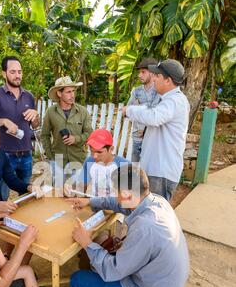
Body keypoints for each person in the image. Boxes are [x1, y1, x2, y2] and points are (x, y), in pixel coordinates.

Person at [66, 164, 189, 287]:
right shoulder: (156, 201)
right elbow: (120, 204)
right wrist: (90, 202)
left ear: (127, 194)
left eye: (117, 193)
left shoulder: (145, 228)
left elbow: (111, 271)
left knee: (78, 281)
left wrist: (86, 242)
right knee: (98, 256)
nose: (116, 197)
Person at [122, 59, 190, 201]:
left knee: (155, 217)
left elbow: (153, 117)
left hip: (161, 173)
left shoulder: (175, 101)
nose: (154, 79)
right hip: (156, 170)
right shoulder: (167, 100)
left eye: (157, 76)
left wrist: (129, 110)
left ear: (168, 80)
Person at [0, 56, 40, 198]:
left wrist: (36, 115)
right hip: (3, 154)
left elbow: (35, 125)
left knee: (25, 196)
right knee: (1, 196)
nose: (17, 75)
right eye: (13, 72)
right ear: (4, 73)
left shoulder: (29, 96)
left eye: (20, 71)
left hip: (26, 154)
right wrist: (3, 121)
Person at [41, 76, 93, 181]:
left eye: (73, 91)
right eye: (68, 92)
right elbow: (44, 135)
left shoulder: (83, 112)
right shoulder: (50, 112)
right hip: (58, 161)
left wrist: (76, 139)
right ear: (59, 94)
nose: (72, 95)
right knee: (59, 193)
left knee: (77, 192)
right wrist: (51, 157)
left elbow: (90, 134)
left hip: (78, 159)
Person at [65, 128, 129, 197]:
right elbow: (81, 188)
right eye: (92, 151)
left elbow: (128, 199)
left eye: (99, 152)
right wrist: (70, 189)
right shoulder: (90, 161)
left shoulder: (124, 165)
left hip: (113, 206)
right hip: (92, 204)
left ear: (111, 149)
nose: (95, 156)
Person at [127, 57, 161, 162]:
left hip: (152, 139)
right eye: (139, 72)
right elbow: (127, 111)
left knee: (150, 171)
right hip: (137, 137)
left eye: (143, 72)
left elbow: (155, 112)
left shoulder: (159, 90)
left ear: (152, 73)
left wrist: (138, 106)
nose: (139, 75)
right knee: (135, 170)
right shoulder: (136, 91)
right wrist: (145, 107)